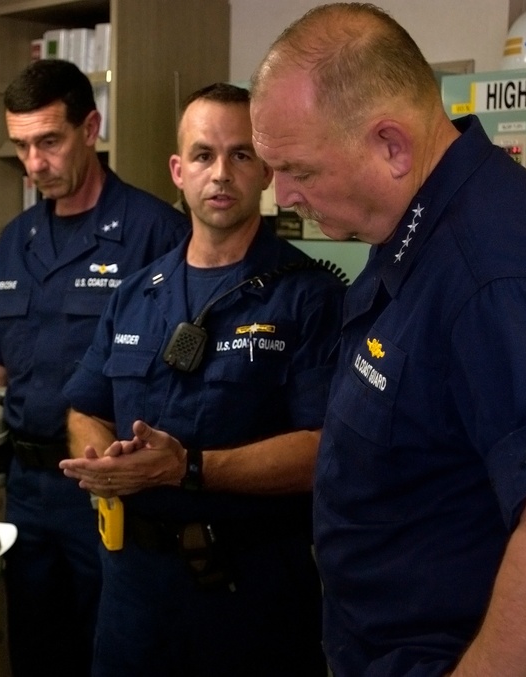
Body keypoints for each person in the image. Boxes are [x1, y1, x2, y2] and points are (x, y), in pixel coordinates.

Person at [249, 4, 526, 675]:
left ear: (391, 144)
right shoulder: (414, 226)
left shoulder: (499, 267)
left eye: (299, 170)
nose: (281, 193)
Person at [60, 83, 345, 677]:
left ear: (266, 170)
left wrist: (187, 466)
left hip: (249, 593)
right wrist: (101, 463)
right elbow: (86, 404)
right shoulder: (135, 295)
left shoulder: (310, 298)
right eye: (203, 155)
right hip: (133, 590)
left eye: (241, 155)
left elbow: (324, 452)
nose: (221, 173)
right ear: (177, 171)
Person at [0, 59, 189, 677]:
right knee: (37, 654)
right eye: (21, 146)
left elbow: (181, 380)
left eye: (49, 142)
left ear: (90, 128)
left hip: (112, 493)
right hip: (28, 488)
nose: (33, 164)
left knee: (115, 654)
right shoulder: (16, 239)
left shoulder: (155, 232)